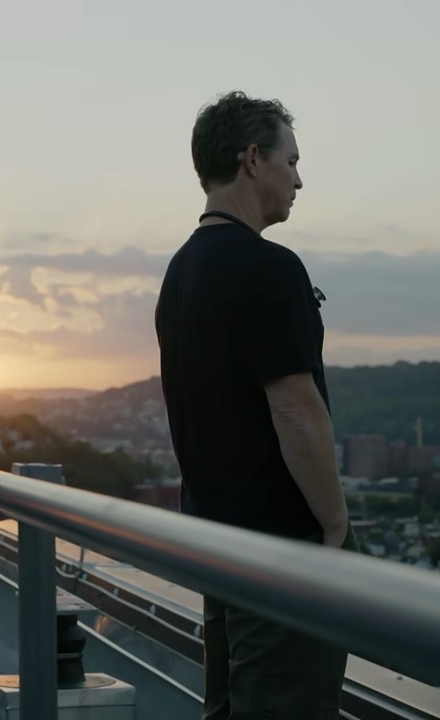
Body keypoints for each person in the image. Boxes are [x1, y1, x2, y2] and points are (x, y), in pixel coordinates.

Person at [155, 90, 355, 719]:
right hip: (281, 550)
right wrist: (335, 525)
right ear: (251, 159)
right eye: (290, 161)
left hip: (218, 542)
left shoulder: (180, 272)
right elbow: (295, 411)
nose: (299, 178)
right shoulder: (268, 267)